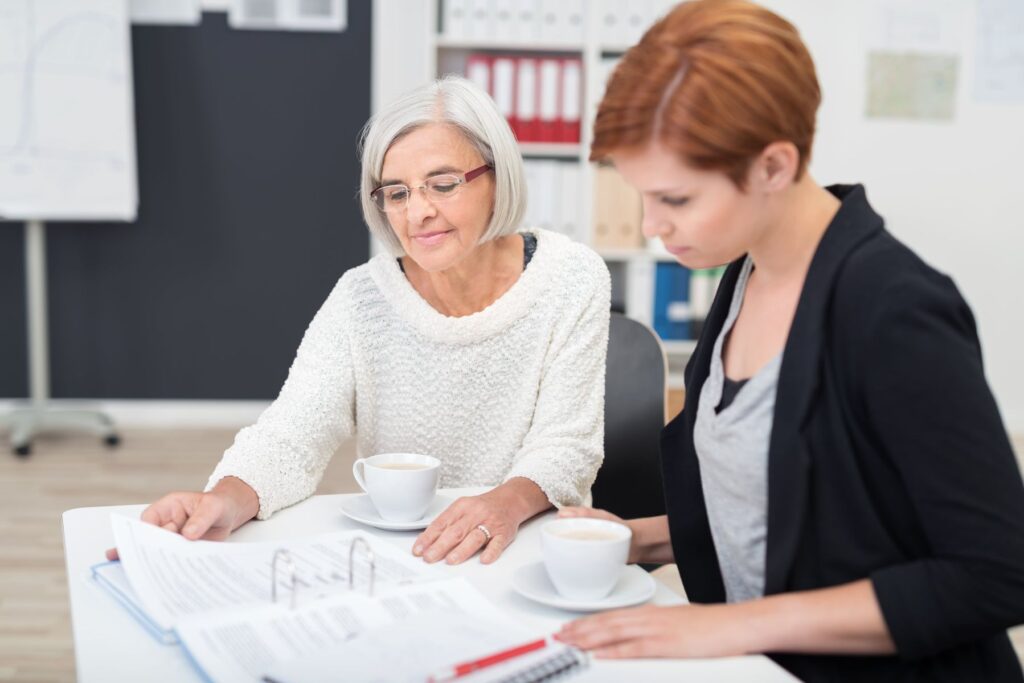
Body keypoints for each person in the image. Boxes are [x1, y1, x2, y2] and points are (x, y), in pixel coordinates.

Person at [554, 1, 1024, 680]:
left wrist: (726, 625)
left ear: (774, 165)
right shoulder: (745, 268)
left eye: (677, 199)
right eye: (644, 197)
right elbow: (777, 505)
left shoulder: (896, 311)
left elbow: (997, 571)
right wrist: (634, 538)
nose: (653, 224)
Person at [112, 76, 611, 567]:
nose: (418, 213)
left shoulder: (570, 276)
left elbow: (566, 445)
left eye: (442, 184)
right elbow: (293, 433)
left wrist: (503, 504)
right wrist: (222, 499)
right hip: (409, 554)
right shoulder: (363, 297)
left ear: (497, 176)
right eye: (396, 193)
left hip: (526, 544)